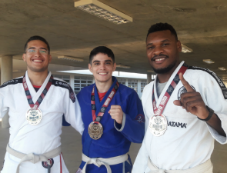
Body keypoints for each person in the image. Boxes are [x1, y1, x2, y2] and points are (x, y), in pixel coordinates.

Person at [0, 36, 84, 173]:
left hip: (51, 165)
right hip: (16, 164)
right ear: (24, 56)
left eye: (43, 51)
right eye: (32, 50)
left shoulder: (63, 89)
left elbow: (81, 123)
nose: (37, 54)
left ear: (50, 57)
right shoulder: (8, 88)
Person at [132, 23, 227, 173]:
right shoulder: (148, 90)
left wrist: (207, 115)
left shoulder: (202, 79)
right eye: (151, 47)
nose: (157, 51)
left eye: (165, 44)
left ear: (178, 46)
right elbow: (150, 137)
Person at [76, 46, 145, 173]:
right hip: (88, 166)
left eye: (107, 63)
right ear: (90, 67)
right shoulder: (83, 95)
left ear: (114, 66)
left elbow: (140, 135)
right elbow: (64, 119)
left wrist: (123, 120)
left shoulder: (128, 95)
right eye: (97, 63)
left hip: (116, 167)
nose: (102, 68)